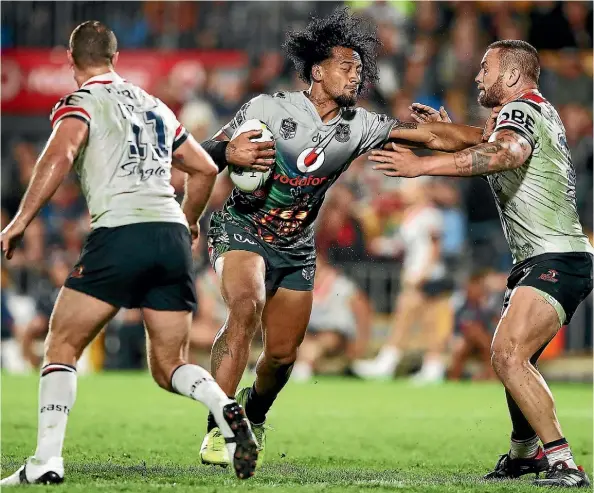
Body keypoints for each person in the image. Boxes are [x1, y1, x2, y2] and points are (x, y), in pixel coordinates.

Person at [196, 7, 488, 467]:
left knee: (282, 357)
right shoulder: (268, 108)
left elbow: (433, 139)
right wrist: (226, 150)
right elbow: (204, 155)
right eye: (346, 67)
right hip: (244, 227)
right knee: (244, 308)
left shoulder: (359, 125)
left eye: (360, 69)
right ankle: (219, 428)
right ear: (317, 71)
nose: (356, 76)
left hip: (295, 246)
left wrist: (486, 133)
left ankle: (255, 414)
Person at [0, 21, 259, 485]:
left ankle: (46, 461)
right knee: (169, 364)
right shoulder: (155, 105)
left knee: (61, 345)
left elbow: (59, 156)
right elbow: (202, 168)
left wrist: (19, 221)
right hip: (171, 237)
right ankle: (224, 406)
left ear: (70, 59)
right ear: (115, 57)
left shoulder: (80, 103)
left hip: (121, 230)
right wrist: (191, 221)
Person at [369, 40, 593, 488]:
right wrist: (379, 132)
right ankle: (523, 455)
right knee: (513, 355)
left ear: (510, 76)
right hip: (546, 257)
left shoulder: (520, 113)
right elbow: (463, 139)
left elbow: (505, 153)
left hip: (557, 257)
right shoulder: (528, 112)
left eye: (485, 68)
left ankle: (563, 462)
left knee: (508, 355)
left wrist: (420, 169)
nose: (477, 76)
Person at [353, 178, 454, 384]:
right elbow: (404, 245)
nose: (404, 192)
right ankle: (431, 368)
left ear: (421, 191)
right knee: (424, 321)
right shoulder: (408, 215)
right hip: (415, 272)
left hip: (426, 275)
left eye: (409, 189)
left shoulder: (430, 215)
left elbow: (435, 248)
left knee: (408, 317)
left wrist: (422, 273)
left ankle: (388, 363)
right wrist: (383, 245)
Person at [292, 253, 372, 382]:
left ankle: (304, 366)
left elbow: (362, 310)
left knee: (326, 339)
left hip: (337, 334)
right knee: (303, 340)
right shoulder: (301, 286)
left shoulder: (341, 285)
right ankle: (302, 366)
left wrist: (360, 343)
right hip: (310, 333)